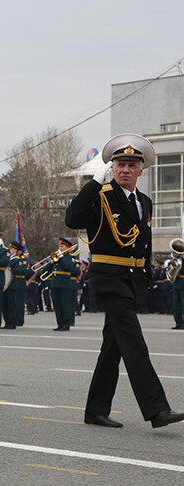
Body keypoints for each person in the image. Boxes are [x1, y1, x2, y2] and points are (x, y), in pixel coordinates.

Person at [66, 133, 184, 429]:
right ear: (113, 168)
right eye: (120, 164)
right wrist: (94, 182)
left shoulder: (145, 201)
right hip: (109, 278)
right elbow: (72, 218)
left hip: (133, 280)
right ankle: (157, 409)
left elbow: (141, 246)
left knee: (114, 346)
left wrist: (146, 277)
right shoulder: (101, 197)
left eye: (132, 164)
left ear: (141, 170)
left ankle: (95, 410)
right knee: (134, 343)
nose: (126, 169)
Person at [39, 238, 79, 331]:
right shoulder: (57, 257)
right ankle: (60, 323)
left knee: (65, 305)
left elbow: (70, 268)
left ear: (68, 248)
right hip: (55, 283)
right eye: (59, 246)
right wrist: (52, 262)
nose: (60, 248)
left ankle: (66, 324)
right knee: (57, 305)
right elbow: (46, 270)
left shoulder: (70, 258)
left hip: (65, 284)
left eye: (62, 246)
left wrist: (61, 258)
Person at [3, 240, 26, 329]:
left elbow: (21, 271)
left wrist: (10, 269)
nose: (10, 250)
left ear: (16, 250)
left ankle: (13, 321)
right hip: (6, 283)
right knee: (5, 304)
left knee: (13, 303)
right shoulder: (7, 259)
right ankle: (7, 321)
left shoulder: (17, 260)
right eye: (10, 248)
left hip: (13, 283)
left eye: (12, 248)